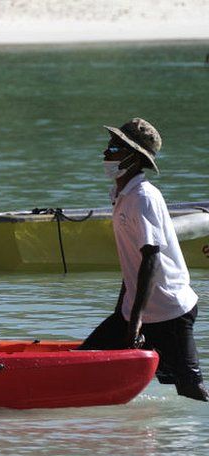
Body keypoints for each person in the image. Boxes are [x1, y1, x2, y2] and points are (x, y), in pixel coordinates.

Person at [80, 118, 207, 402]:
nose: (106, 153)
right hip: (136, 311)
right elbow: (132, 265)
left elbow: (151, 259)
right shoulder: (122, 195)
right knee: (85, 358)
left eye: (114, 147)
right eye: (110, 145)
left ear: (134, 158)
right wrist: (123, 314)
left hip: (169, 312)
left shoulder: (143, 197)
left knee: (190, 390)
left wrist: (134, 322)